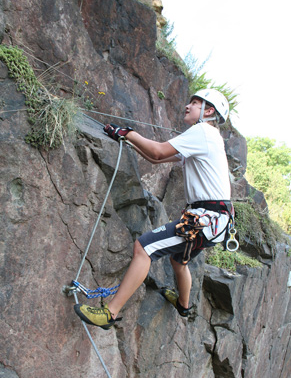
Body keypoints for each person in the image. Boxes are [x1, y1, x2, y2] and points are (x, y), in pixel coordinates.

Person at [74, 89, 233, 330]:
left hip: (206, 218)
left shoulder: (204, 132)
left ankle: (110, 314)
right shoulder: (206, 139)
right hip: (215, 222)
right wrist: (125, 138)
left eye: (195, 103)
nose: (188, 106)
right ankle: (183, 306)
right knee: (179, 261)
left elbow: (158, 151)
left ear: (209, 111)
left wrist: (128, 133)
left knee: (144, 247)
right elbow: (157, 159)